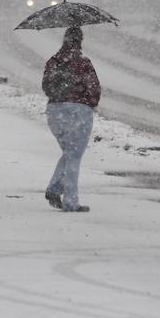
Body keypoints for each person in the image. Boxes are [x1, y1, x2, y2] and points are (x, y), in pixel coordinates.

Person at [42, 26, 100, 213]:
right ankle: (70, 201)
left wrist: (60, 96)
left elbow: (46, 86)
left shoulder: (54, 61)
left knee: (69, 152)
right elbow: (94, 88)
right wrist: (89, 102)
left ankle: (54, 188)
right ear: (80, 41)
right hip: (79, 111)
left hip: (55, 111)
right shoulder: (83, 63)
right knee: (74, 155)